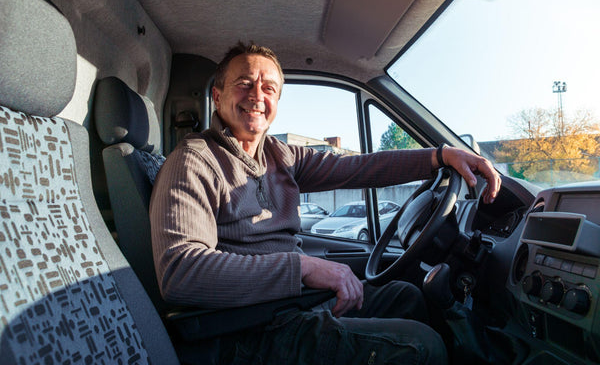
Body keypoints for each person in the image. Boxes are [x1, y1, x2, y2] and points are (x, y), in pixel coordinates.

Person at [150, 42, 501, 364]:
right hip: (249, 328)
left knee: (407, 297)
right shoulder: (192, 161)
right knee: (422, 347)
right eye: (244, 83)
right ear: (217, 95)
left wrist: (441, 155)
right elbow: (181, 272)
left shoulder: (279, 155)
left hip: (292, 304)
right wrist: (302, 268)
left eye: (269, 87)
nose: (257, 95)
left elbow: (358, 168)